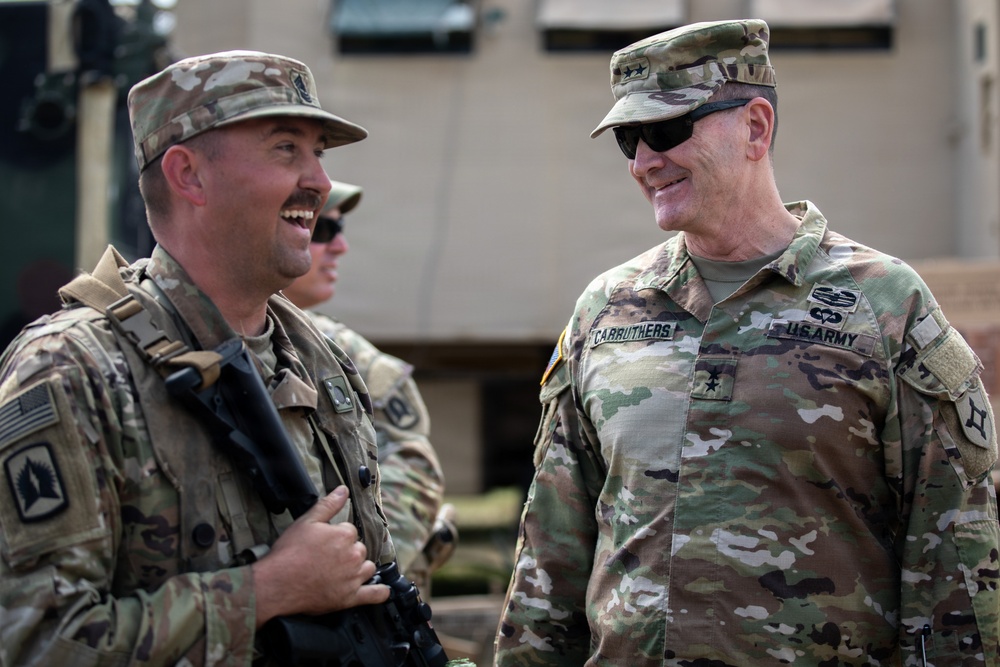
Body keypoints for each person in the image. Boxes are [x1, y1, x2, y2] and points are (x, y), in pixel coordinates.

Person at [494, 19, 1000, 666]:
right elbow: (550, 557)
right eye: (629, 139)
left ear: (756, 127)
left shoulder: (884, 304)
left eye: (668, 130)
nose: (645, 160)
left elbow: (953, 554)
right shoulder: (607, 309)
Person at [0, 51, 396, 665]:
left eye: (319, 151)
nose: (319, 181)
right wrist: (263, 593)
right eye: (286, 148)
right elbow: (37, 642)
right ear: (189, 175)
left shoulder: (323, 362)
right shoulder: (73, 370)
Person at [282, 179, 449, 588]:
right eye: (322, 230)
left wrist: (359, 568)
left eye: (338, 230)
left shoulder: (341, 353)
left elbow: (413, 465)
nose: (340, 246)